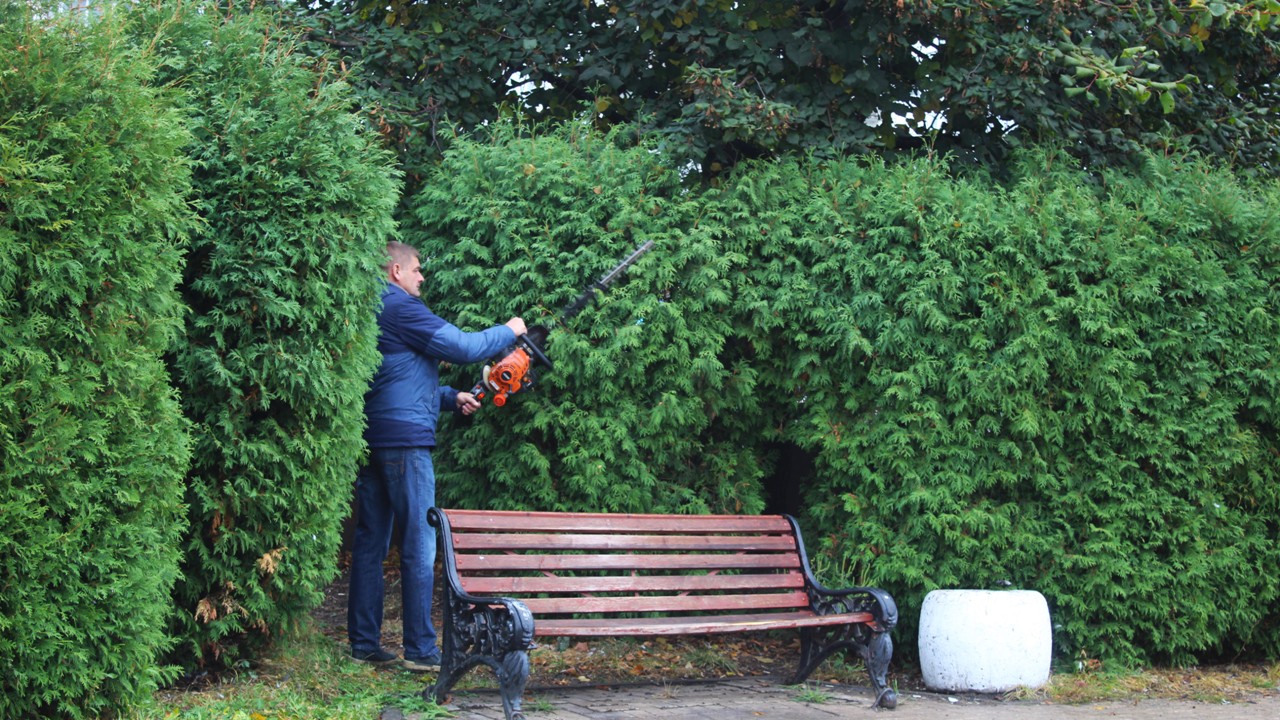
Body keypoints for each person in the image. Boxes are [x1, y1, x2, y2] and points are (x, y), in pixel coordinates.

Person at [348, 241, 526, 670]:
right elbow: (463, 347)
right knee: (419, 544)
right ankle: (421, 650)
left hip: (375, 437)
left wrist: (451, 397)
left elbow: (394, 376)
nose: (422, 277)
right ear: (395, 270)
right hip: (406, 444)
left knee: (370, 544)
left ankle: (364, 644)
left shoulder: (372, 309)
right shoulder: (400, 306)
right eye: (417, 270)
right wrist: (510, 330)